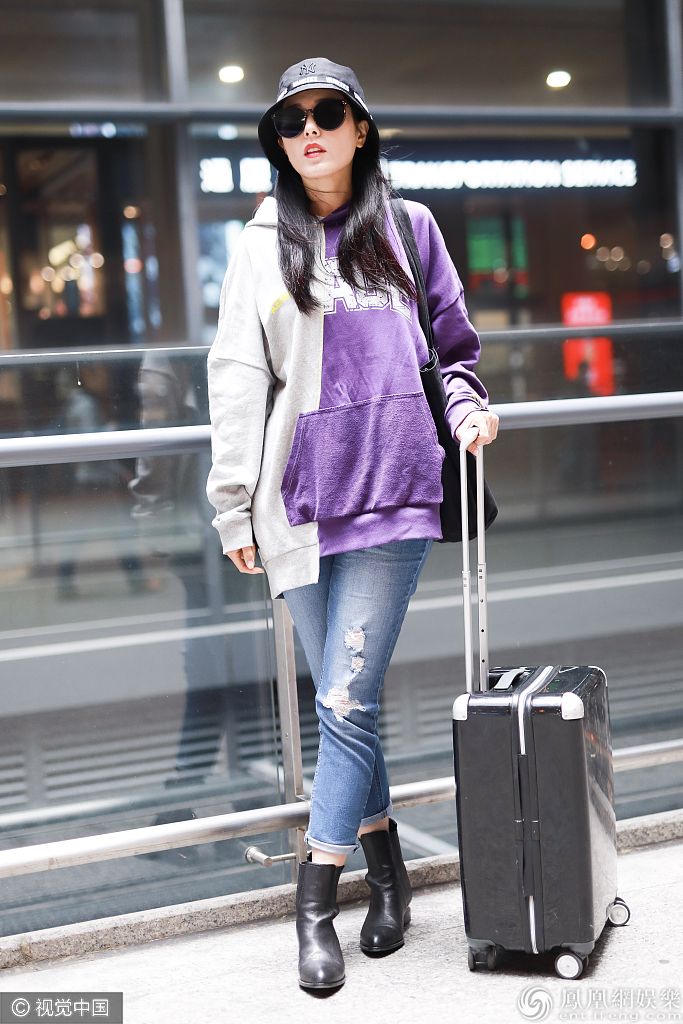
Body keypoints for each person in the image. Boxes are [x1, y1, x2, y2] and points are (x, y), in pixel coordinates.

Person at [205, 57, 499, 992]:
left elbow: (452, 348)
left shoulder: (410, 228)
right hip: (296, 507)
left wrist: (469, 411)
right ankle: (389, 875)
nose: (308, 132)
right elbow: (237, 376)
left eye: (326, 114)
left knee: (341, 699)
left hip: (396, 493)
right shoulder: (259, 244)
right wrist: (231, 503)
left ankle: (313, 899)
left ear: (359, 128)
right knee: (349, 709)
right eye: (290, 122)